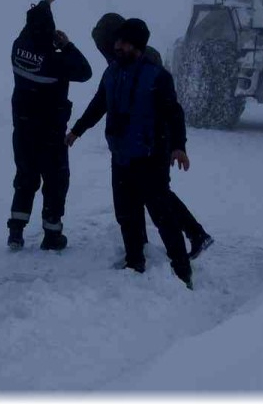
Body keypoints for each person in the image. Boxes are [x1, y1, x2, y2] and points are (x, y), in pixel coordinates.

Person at [67, 18, 194, 288]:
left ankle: (183, 272)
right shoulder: (112, 73)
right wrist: (77, 131)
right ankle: (134, 261)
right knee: (126, 214)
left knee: (163, 217)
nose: (117, 46)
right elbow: (98, 104)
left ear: (136, 46)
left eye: (122, 42)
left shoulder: (157, 77)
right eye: (116, 41)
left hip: (151, 157)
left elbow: (174, 113)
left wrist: (179, 146)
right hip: (121, 156)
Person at [90, 13, 214, 260]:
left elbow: (165, 106)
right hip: (137, 141)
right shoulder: (124, 58)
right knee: (153, 195)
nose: (108, 51)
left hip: (152, 140)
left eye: (105, 45)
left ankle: (192, 236)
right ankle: (179, 237)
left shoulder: (144, 60)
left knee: (156, 196)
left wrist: (173, 144)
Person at [7, 0, 93, 251]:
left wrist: (45, 3)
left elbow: (31, 27)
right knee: (55, 182)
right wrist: (66, 45)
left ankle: (16, 233)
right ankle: (52, 235)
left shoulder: (18, 47)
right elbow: (85, 72)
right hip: (50, 132)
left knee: (25, 177)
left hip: (22, 129)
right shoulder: (57, 62)